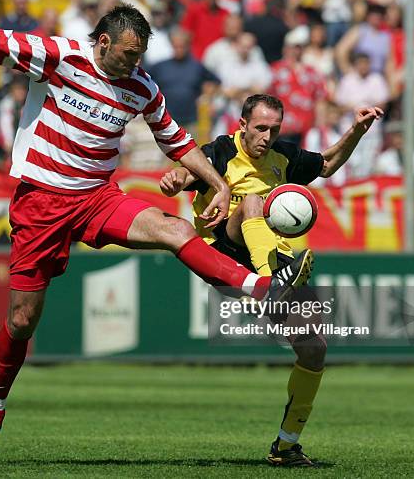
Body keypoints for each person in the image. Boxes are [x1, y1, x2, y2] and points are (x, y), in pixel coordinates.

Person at [0, 0, 312, 461]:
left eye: (141, 56)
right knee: (22, 320)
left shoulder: (143, 86)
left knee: (174, 230)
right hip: (41, 202)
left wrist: (220, 185)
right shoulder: (60, 56)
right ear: (105, 41)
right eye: (129, 53)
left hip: (96, 198)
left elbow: (176, 140)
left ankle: (260, 288)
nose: (135, 63)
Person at [159, 94, 383, 467]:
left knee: (314, 348)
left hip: (272, 258)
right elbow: (186, 171)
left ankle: (286, 445)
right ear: (242, 124)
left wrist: (356, 131)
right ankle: (272, 284)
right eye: (260, 128)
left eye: (274, 130)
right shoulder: (218, 152)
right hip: (226, 253)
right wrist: (174, 179)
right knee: (251, 203)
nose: (267, 136)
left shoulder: (283, 156)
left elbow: (326, 164)